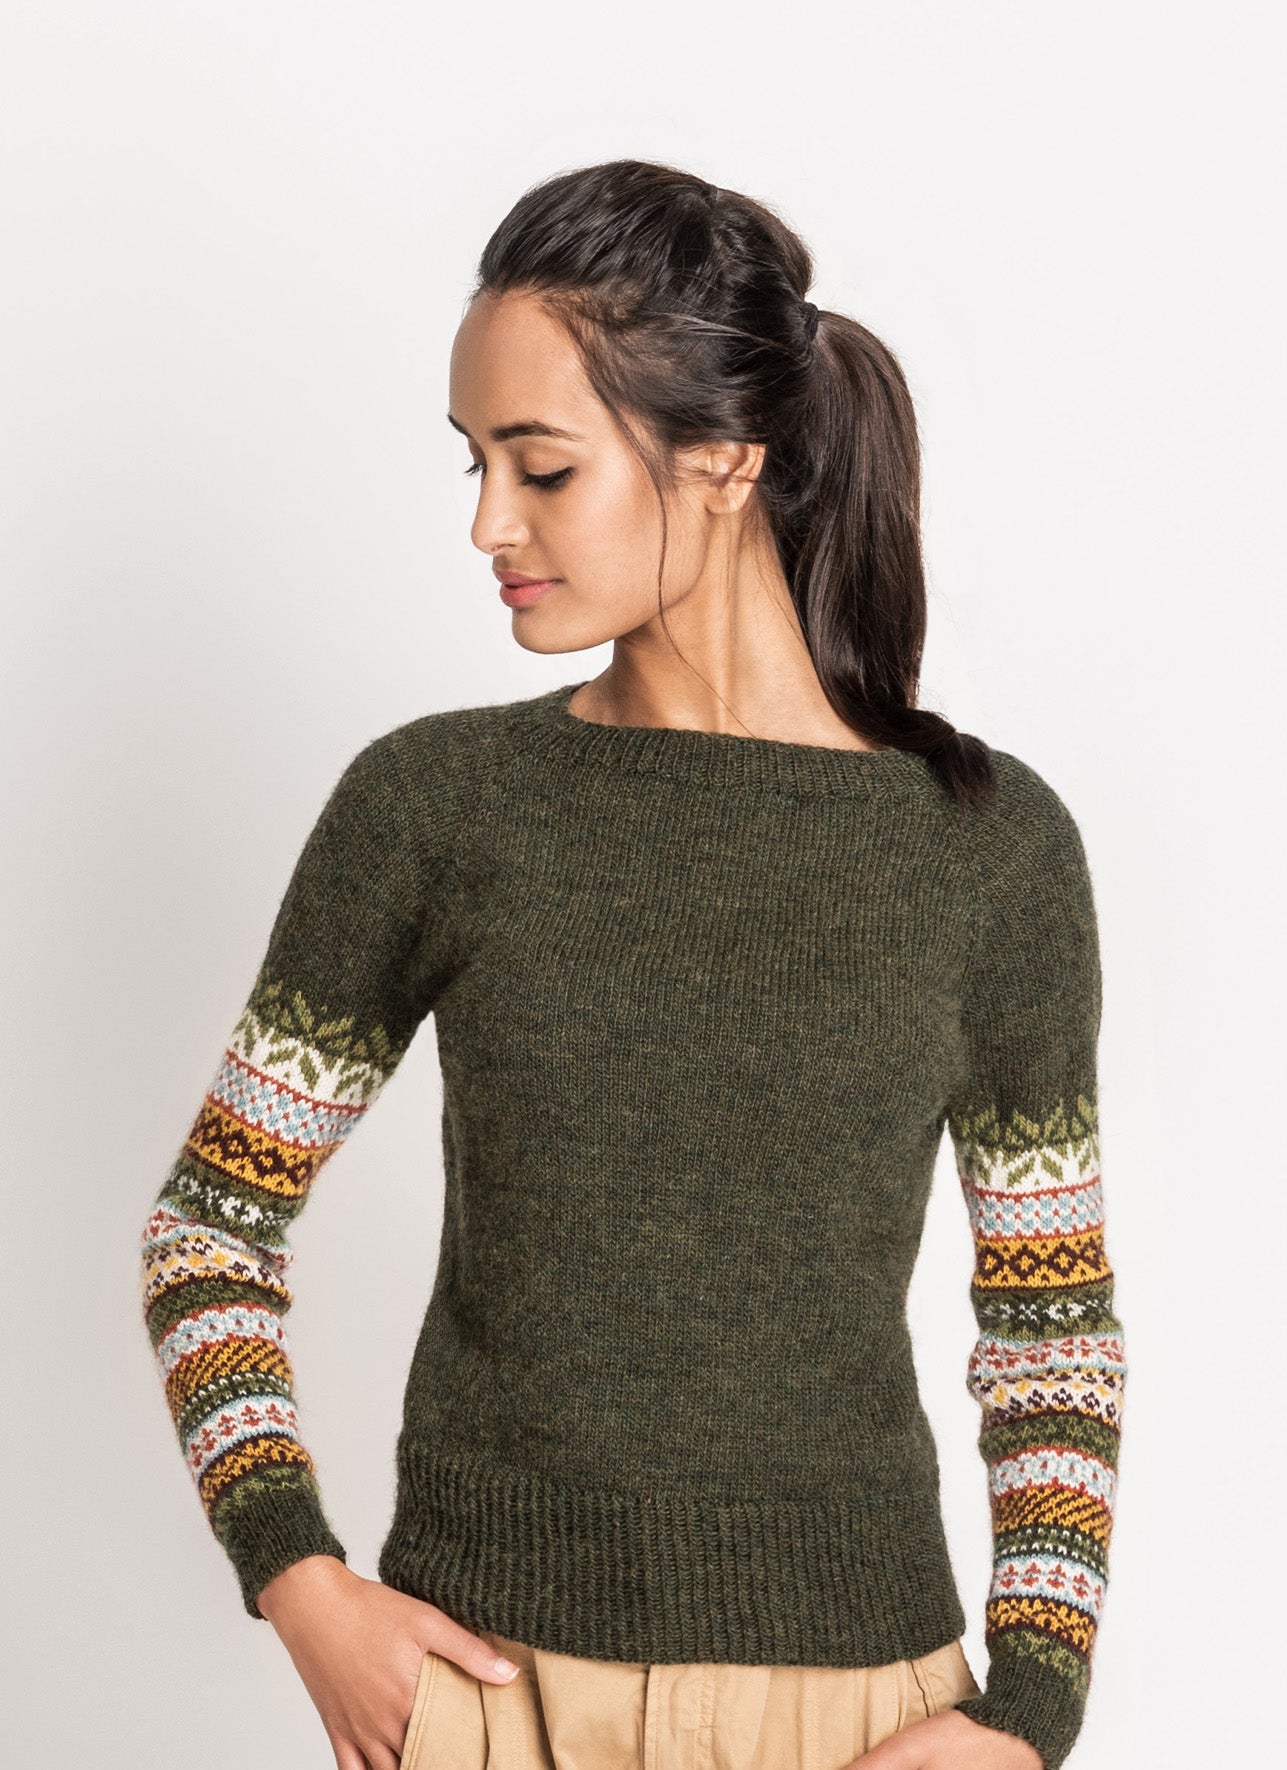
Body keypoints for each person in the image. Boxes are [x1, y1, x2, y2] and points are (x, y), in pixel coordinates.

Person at [139, 159, 1126, 1770]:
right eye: (475, 463)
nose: (488, 522)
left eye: (541, 466)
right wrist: (299, 1578)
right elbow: (209, 1228)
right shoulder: (438, 805)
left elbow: (1051, 1327)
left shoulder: (988, 849)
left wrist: (1028, 1714)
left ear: (726, 457)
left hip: (869, 1716)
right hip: (491, 1696)